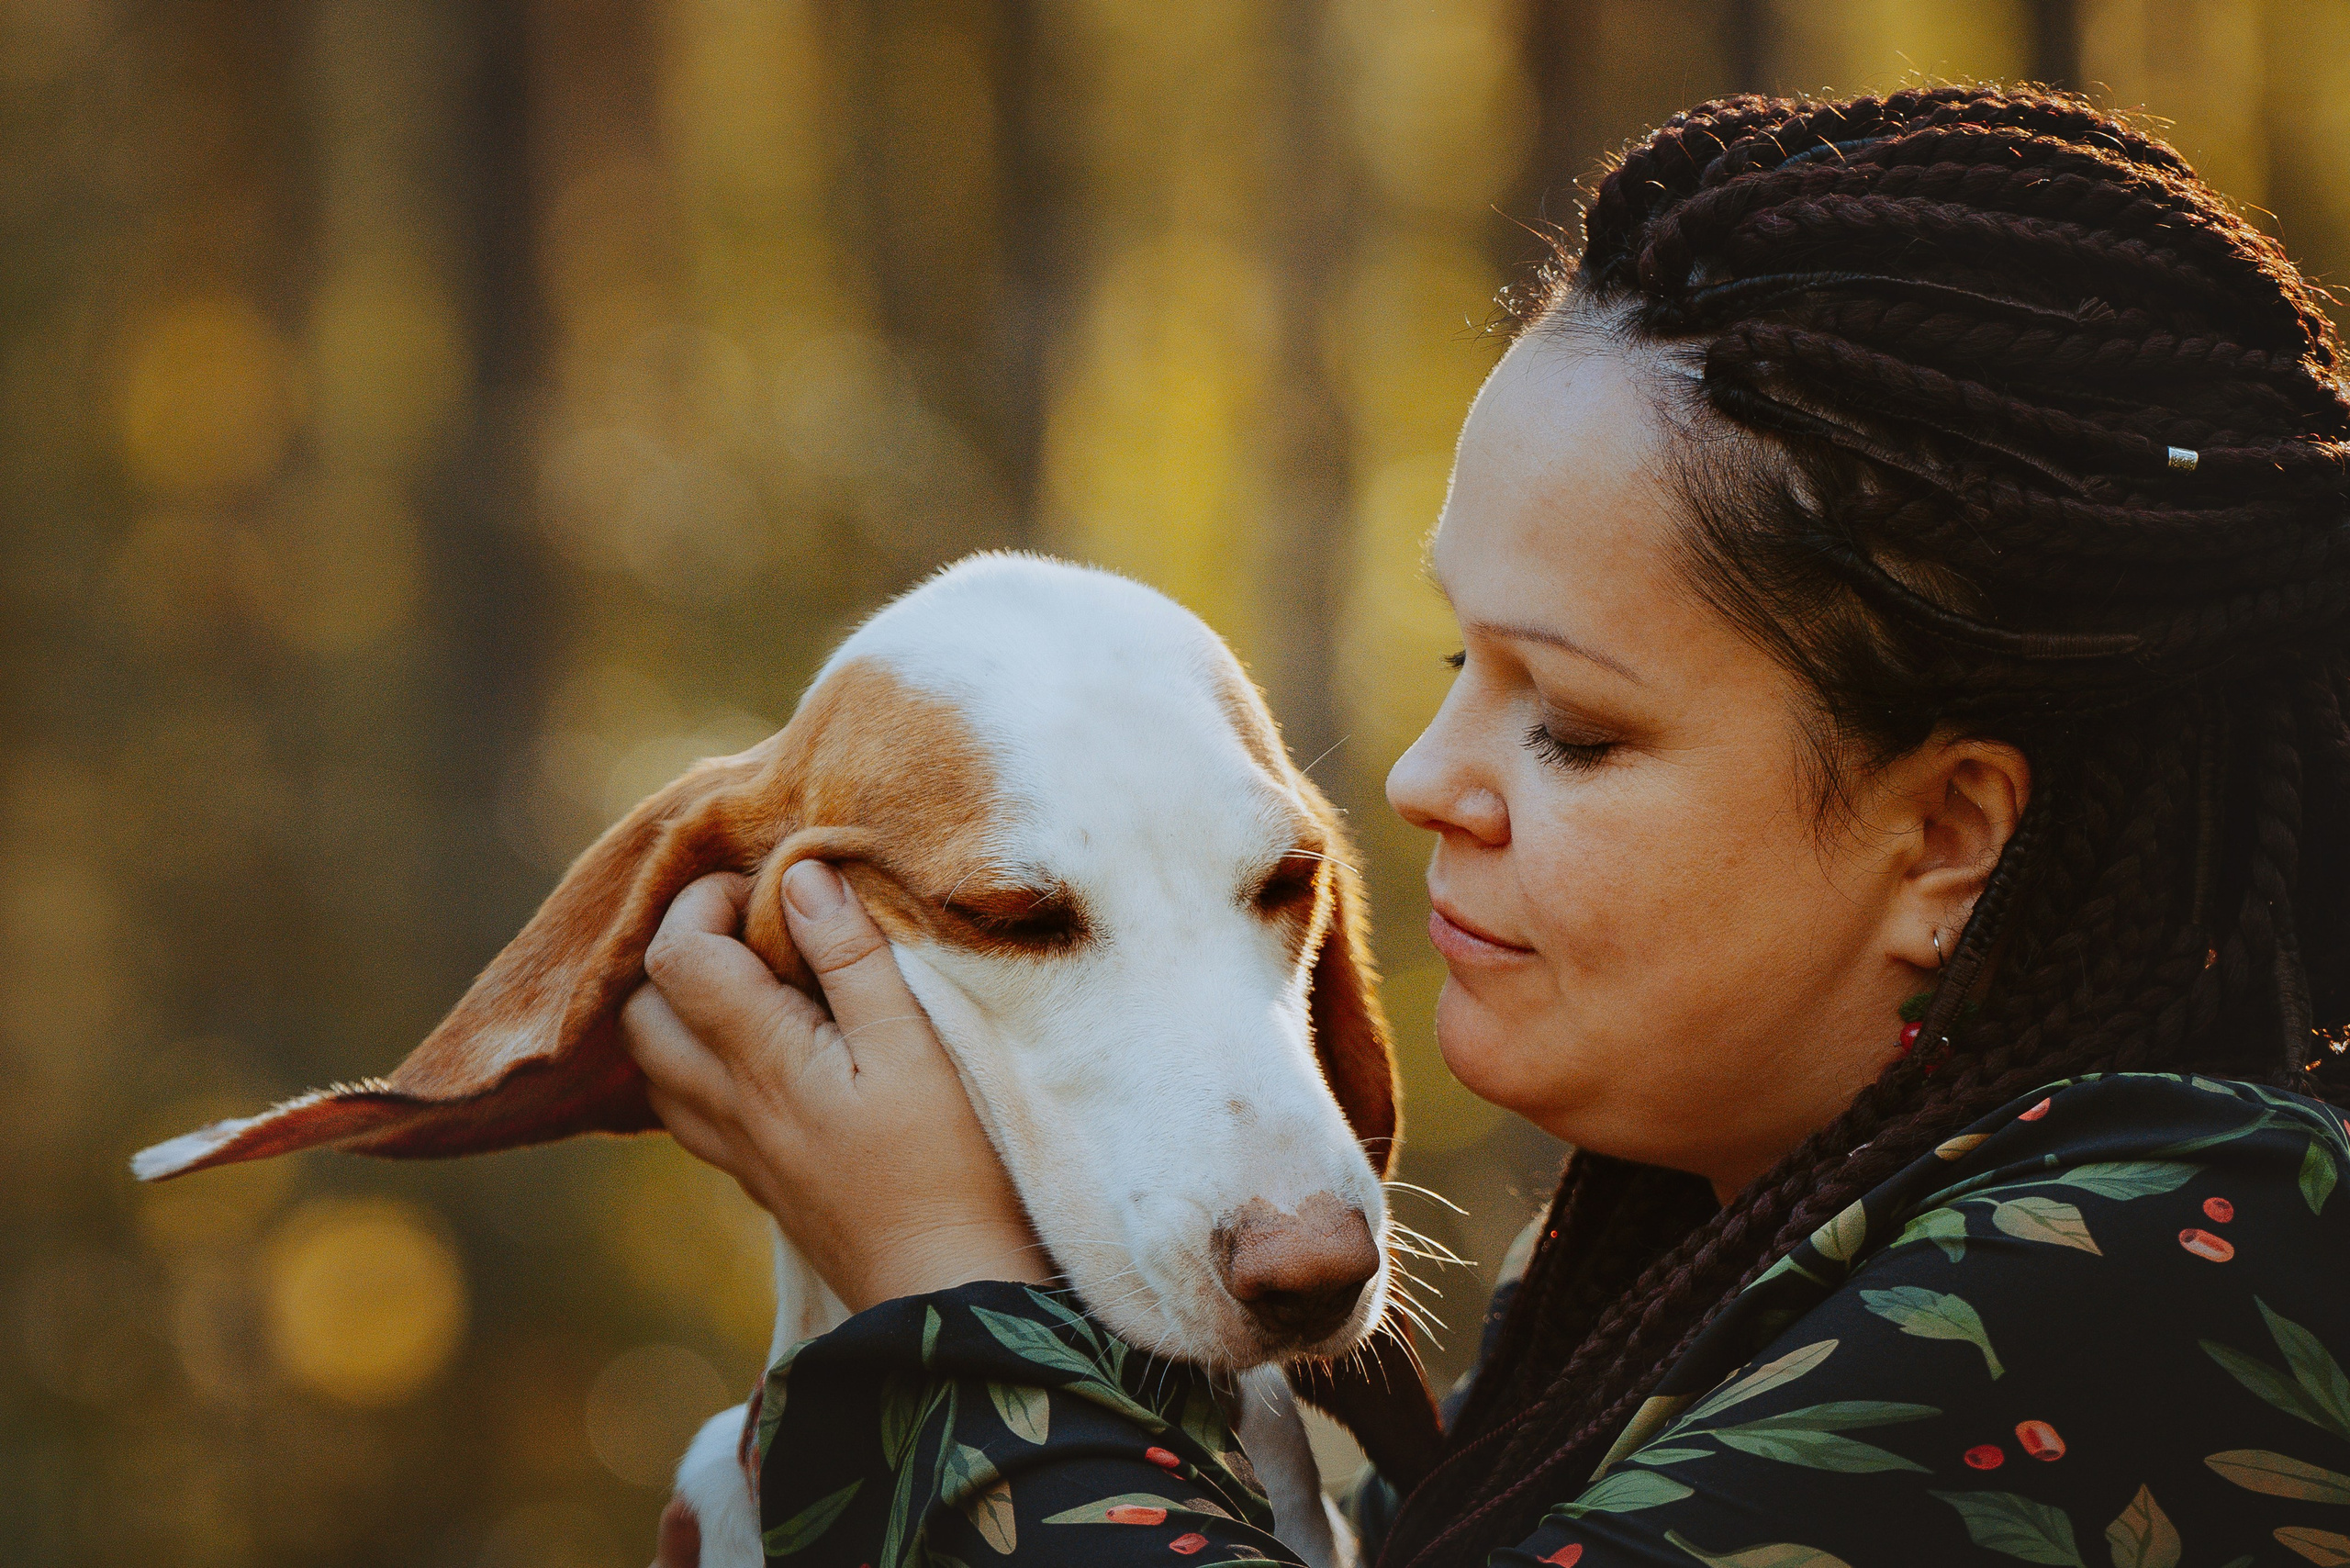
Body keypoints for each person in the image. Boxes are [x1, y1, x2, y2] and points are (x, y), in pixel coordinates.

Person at [620, 86, 2350, 1567]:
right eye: (1464, 659)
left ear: (1948, 836)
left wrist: (938, 1312)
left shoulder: (2176, 1261)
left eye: (1575, 727)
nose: (1419, 784)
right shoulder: (1686, 1250)